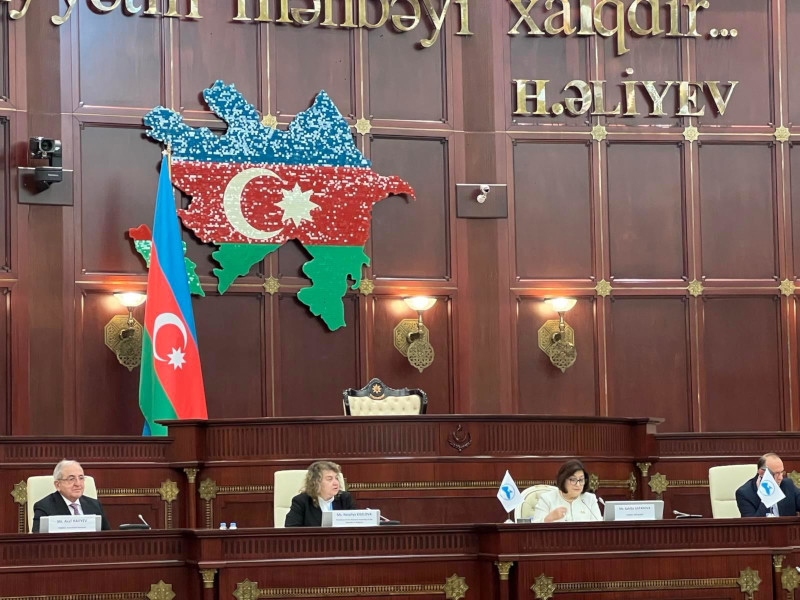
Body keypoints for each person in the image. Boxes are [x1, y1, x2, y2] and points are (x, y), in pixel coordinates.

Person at [32, 459, 111, 532]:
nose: (78, 484)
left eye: (81, 478)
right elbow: (38, 540)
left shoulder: (95, 505)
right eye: (71, 479)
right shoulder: (44, 507)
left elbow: (107, 536)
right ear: (57, 485)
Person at [285, 460, 356, 527]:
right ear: (316, 482)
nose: (336, 483)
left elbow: (355, 527)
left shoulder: (345, 498)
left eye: (336, 478)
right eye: (329, 479)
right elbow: (291, 530)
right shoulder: (302, 501)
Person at [533, 459, 602, 523]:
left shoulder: (590, 499)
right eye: (573, 479)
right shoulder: (547, 499)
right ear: (563, 480)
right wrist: (548, 519)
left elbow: (599, 526)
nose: (578, 484)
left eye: (581, 480)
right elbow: (535, 527)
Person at [735, 453, 800, 517]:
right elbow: (754, 523)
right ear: (761, 473)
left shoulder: (787, 485)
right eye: (776, 474)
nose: (781, 478)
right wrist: (767, 496)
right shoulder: (744, 493)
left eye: (782, 472)